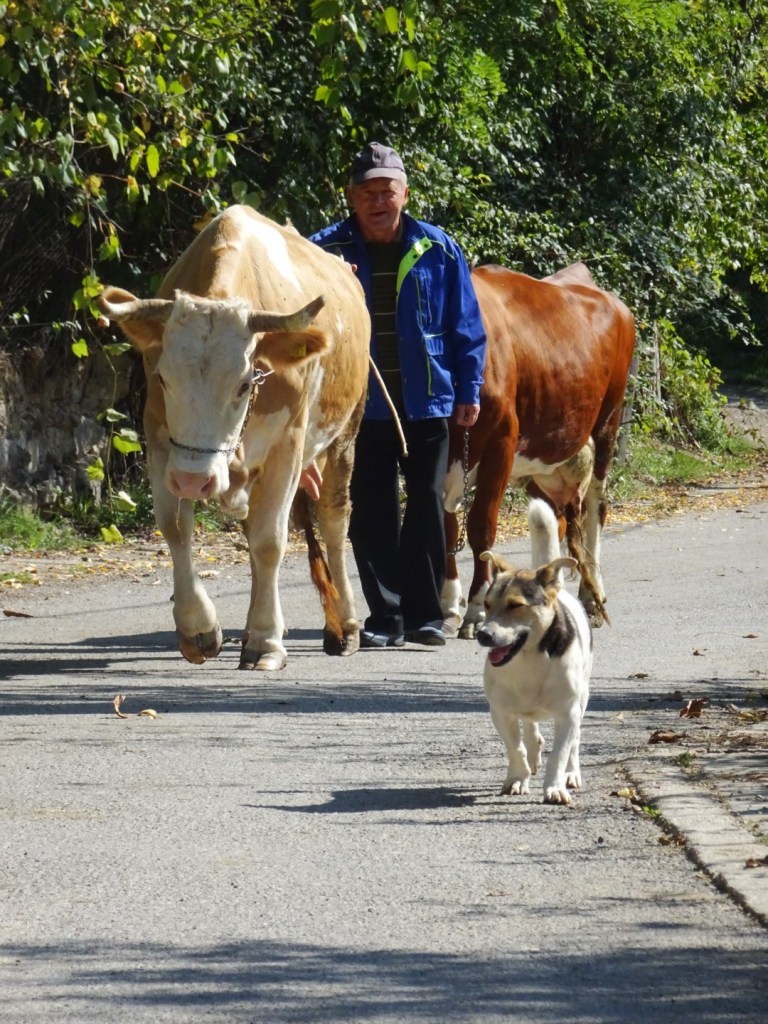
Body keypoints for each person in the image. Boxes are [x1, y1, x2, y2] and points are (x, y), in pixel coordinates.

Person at [310, 142, 486, 648]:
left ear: (404, 194)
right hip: (357, 406)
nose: (378, 201)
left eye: (387, 191)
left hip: (427, 399)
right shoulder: (323, 253)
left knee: (429, 503)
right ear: (351, 197)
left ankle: (425, 614)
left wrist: (469, 387)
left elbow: (466, 325)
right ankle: (385, 616)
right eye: (367, 192)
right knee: (371, 511)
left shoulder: (438, 248)